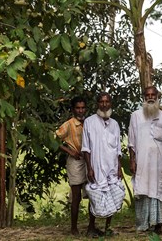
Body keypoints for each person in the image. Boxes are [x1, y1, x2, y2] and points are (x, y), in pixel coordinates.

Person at [128, 86, 162, 235]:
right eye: (147, 95)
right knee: (142, 189)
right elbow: (131, 142)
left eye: (153, 95)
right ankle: (143, 224)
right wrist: (132, 160)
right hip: (141, 161)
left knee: (157, 190)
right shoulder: (136, 116)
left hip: (159, 162)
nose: (150, 97)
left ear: (157, 97)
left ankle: (157, 224)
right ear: (144, 97)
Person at [82, 92, 125, 237]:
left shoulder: (115, 124)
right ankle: (91, 227)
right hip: (96, 166)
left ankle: (107, 228)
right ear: (97, 104)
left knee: (113, 195)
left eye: (107, 102)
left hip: (111, 167)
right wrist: (89, 168)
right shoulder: (89, 122)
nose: (104, 104)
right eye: (101, 102)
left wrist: (119, 167)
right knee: (95, 195)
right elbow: (86, 148)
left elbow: (118, 148)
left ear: (110, 103)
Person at [55, 96, 99, 236]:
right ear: (73, 109)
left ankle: (91, 226)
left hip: (90, 160)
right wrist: (69, 151)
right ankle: (74, 228)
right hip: (76, 160)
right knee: (76, 195)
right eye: (78, 108)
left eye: (82, 108)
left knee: (93, 193)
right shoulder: (69, 125)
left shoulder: (90, 123)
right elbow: (54, 139)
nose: (80, 111)